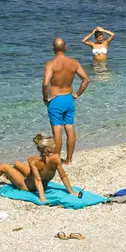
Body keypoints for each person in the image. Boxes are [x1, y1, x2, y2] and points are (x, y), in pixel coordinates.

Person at [0, 134, 76, 204]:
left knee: (4, 166)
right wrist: (71, 192)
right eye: (54, 144)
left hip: (27, 186)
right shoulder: (56, 158)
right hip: (41, 182)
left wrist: (42, 198)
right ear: (48, 149)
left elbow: (37, 180)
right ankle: (10, 175)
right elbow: (63, 176)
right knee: (17, 164)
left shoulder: (33, 160)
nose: (56, 145)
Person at [43, 37, 90, 165]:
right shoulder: (74, 63)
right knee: (70, 128)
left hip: (56, 100)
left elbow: (46, 83)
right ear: (66, 48)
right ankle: (69, 160)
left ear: (53, 49)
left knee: (57, 131)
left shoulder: (50, 64)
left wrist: (45, 98)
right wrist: (77, 95)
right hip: (69, 99)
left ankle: (57, 159)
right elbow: (86, 80)